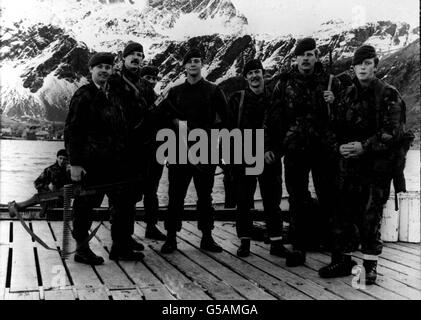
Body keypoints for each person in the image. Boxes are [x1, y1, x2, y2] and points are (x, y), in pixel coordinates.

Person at [318, 45, 407, 284]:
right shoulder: (346, 95)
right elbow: (332, 127)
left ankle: (370, 265)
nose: (363, 68)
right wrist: (338, 146)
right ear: (353, 67)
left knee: (371, 215)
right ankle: (345, 261)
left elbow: (393, 132)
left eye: (368, 63)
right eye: (359, 64)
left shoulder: (388, 94)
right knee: (343, 214)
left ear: (375, 66)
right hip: (348, 168)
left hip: (376, 168)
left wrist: (364, 147)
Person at [266, 38, 341, 267]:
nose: (306, 58)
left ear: (316, 56)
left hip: (324, 150)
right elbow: (273, 118)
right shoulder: (284, 83)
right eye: (302, 55)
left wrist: (335, 102)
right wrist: (271, 146)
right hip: (295, 150)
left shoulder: (331, 82)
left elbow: (345, 116)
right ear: (295, 58)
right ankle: (298, 248)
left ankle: (336, 250)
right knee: (297, 200)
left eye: (310, 54)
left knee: (329, 198)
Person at [64, 52, 144, 265]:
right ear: (91, 70)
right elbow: (73, 130)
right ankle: (82, 249)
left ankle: (120, 246)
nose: (104, 71)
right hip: (92, 164)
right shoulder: (84, 95)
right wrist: (75, 163)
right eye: (99, 67)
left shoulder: (115, 96)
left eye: (108, 67)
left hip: (116, 163)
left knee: (123, 205)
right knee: (85, 206)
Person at [158, 47, 229, 254]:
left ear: (201, 64)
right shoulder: (175, 92)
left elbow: (226, 119)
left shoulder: (214, 90)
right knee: (175, 197)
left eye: (197, 61)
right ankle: (171, 237)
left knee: (205, 197)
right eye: (189, 61)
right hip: (179, 150)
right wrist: (176, 123)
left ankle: (207, 237)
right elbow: (163, 119)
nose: (193, 64)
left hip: (205, 150)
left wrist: (209, 136)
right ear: (184, 66)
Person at [228, 59, 288, 257]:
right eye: (250, 73)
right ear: (246, 78)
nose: (254, 76)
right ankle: (244, 242)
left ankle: (276, 242)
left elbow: (283, 130)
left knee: (272, 201)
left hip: (269, 158)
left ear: (263, 74)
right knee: (244, 201)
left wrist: (276, 152)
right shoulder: (238, 99)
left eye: (257, 72)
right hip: (244, 157)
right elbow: (229, 129)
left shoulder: (275, 99)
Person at [107, 43, 166, 241]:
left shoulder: (143, 86)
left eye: (140, 55)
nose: (136, 57)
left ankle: (127, 237)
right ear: (123, 58)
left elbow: (158, 114)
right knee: (119, 196)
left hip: (141, 150)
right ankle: (119, 241)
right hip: (120, 149)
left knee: (132, 196)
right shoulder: (113, 81)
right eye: (131, 54)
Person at [34, 149, 71, 215]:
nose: (62, 161)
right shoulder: (49, 170)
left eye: (64, 159)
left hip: (64, 202)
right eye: (60, 158)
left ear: (67, 160)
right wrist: (48, 186)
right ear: (57, 158)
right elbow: (36, 183)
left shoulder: (69, 171)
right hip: (50, 202)